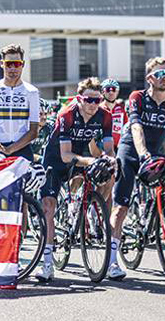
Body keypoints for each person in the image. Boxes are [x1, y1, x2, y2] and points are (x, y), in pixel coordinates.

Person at [108, 57, 165, 281]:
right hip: (131, 149)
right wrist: (143, 155)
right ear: (149, 79)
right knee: (121, 207)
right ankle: (111, 260)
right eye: (159, 74)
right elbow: (136, 127)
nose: (164, 77)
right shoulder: (137, 97)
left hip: (158, 148)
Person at [37, 77, 115, 281]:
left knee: (108, 178)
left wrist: (111, 161)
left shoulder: (105, 116)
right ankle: (46, 264)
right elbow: (65, 156)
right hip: (56, 159)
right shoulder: (66, 115)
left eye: (97, 100)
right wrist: (92, 161)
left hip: (80, 157)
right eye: (88, 100)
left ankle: (85, 207)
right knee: (48, 206)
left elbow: (108, 149)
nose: (93, 105)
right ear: (79, 99)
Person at [100, 79, 128, 148]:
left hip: (119, 146)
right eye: (107, 90)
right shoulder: (98, 108)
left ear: (117, 92)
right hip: (102, 146)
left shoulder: (122, 108)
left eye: (114, 89)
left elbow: (126, 127)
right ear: (103, 92)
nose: (111, 92)